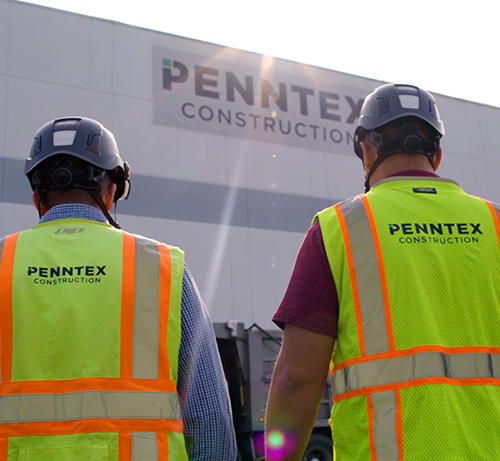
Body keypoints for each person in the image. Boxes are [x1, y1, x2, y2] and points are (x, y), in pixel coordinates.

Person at [265, 83, 500, 460]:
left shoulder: (337, 230)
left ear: (366, 149)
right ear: (436, 155)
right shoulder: (494, 224)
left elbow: (296, 381)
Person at [0, 116, 237, 460]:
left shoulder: (4, 262)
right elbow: (209, 415)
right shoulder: (162, 267)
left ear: (37, 197)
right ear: (112, 191)